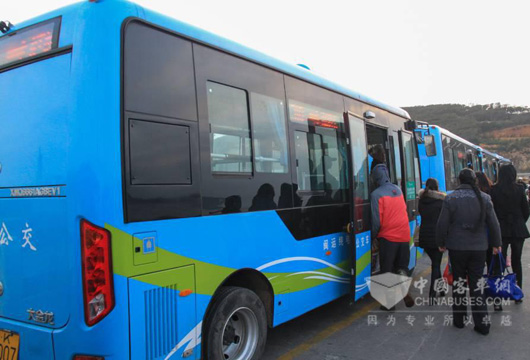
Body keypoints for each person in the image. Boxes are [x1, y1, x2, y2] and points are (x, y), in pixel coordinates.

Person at [436, 169, 502, 335]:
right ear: (475, 181)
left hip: (457, 248)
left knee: (458, 282)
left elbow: (442, 223)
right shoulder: (485, 198)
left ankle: (459, 320)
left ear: (459, 180)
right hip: (479, 248)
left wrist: (441, 242)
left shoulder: (450, 198)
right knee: (476, 285)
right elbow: (494, 224)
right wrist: (496, 244)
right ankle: (482, 324)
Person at [370, 163, 414, 308]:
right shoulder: (398, 190)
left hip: (388, 237)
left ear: (375, 178)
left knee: (387, 269)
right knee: (401, 266)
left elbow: (376, 221)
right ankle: (404, 291)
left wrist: (373, 236)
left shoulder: (376, 194)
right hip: (404, 234)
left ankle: (389, 303)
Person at [490, 164, 530, 302]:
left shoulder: (493, 190)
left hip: (500, 230)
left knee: (498, 262)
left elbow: (491, 212)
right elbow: (526, 210)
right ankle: (517, 293)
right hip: (517, 230)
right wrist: (519, 222)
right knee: (516, 261)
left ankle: (497, 297)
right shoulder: (519, 189)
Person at [418, 178, 446, 303]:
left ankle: (442, 290)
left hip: (424, 236)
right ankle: (432, 295)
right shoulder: (441, 202)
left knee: (436, 263)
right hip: (437, 237)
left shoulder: (421, 201)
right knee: (436, 264)